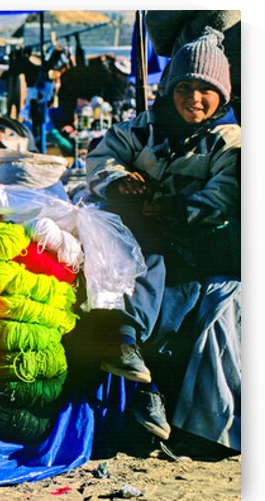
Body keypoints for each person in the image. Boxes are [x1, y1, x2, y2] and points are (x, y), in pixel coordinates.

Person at [84, 28, 240, 450]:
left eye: (207, 89)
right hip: (138, 237)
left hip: (196, 243)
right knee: (133, 260)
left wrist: (176, 207)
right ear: (169, 88)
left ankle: (136, 365)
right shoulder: (142, 130)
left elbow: (224, 194)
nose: (194, 97)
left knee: (180, 287)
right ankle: (134, 367)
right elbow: (100, 159)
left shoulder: (229, 142)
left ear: (222, 96)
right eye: (185, 86)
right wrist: (118, 183)